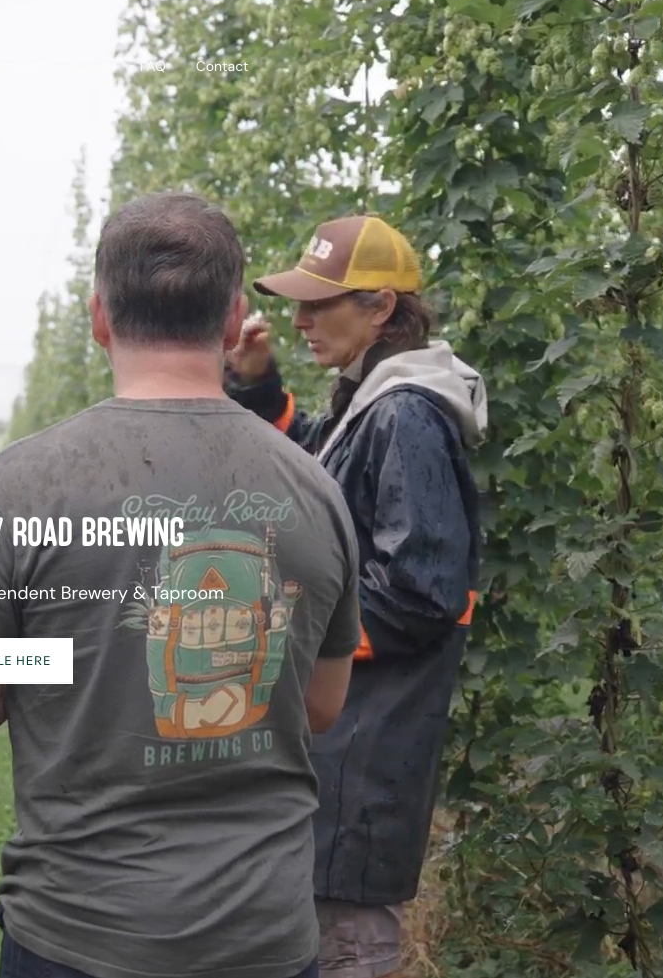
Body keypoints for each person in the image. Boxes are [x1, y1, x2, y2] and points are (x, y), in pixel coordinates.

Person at [0, 191, 361, 978]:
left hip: (79, 933)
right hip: (265, 938)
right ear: (231, 322)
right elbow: (321, 705)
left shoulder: (21, 486)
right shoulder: (315, 489)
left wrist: (63, 653)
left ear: (98, 318)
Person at [223, 214, 487, 978]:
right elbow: (314, 461)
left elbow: (421, 592)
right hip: (339, 759)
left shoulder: (406, 412)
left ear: (380, 307)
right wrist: (259, 385)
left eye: (320, 304)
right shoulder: (375, 398)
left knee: (344, 946)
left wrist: (281, 640)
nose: (302, 319)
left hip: (361, 765)